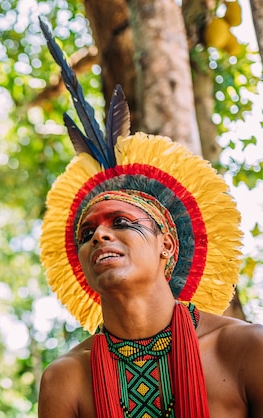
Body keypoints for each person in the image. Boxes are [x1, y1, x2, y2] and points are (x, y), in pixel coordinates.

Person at [36, 17, 263, 418]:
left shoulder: (245, 350)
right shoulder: (66, 380)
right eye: (87, 233)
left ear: (167, 245)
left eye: (120, 222)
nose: (99, 237)